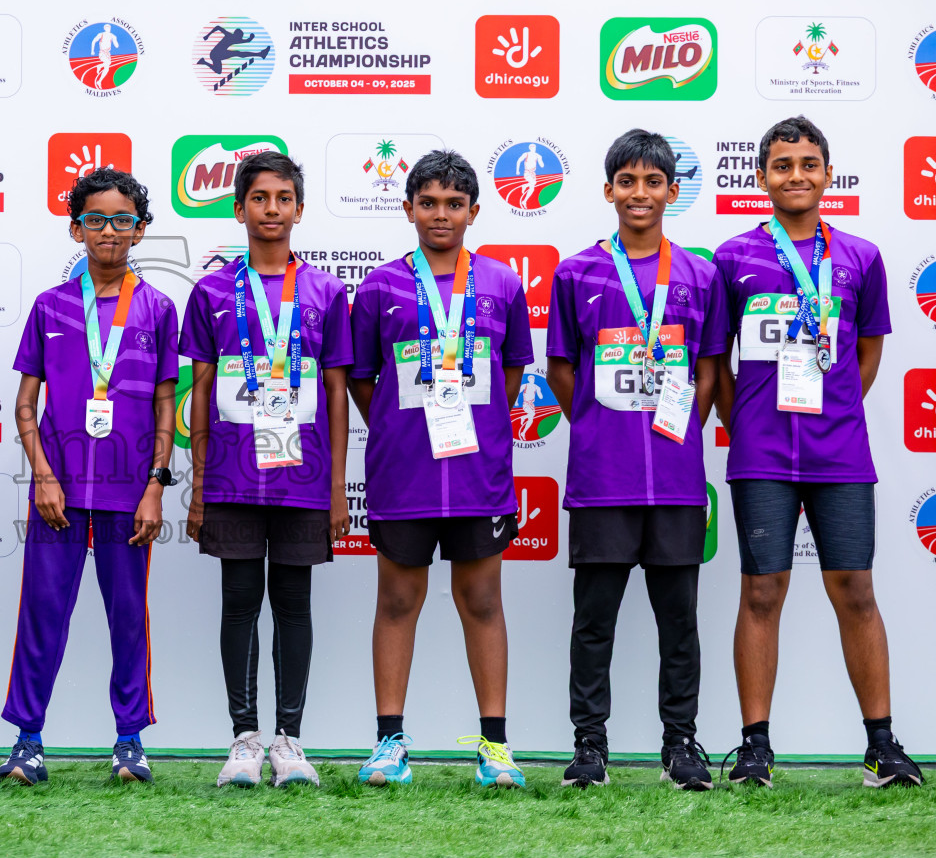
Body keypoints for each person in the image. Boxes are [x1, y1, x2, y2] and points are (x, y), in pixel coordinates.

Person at [714, 116, 922, 788]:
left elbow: (866, 356)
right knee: (761, 591)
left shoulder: (860, 257)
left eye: (809, 163)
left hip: (840, 456)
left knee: (856, 590)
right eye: (782, 164)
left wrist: (830, 409)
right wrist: (745, 421)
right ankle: (754, 749)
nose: (796, 175)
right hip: (761, 455)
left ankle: (882, 748)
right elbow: (718, 363)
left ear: (828, 174)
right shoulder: (733, 258)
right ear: (761, 177)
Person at [545, 129, 727, 791]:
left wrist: (674, 429)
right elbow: (561, 369)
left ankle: (681, 744)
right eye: (628, 181)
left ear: (673, 191)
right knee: (594, 619)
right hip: (602, 479)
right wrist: (599, 427)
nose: (640, 193)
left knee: (678, 620)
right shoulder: (576, 272)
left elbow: (709, 371)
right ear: (608, 190)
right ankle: (589, 747)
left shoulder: (701, 274)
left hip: (676, 480)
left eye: (653, 182)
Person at [348, 150, 535, 788]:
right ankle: (389, 744)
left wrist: (469, 429)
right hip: (405, 475)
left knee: (482, 601)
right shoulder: (377, 287)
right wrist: (408, 431)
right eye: (428, 202)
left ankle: (494, 747)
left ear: (475, 212)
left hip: (478, 474)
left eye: (455, 204)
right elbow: (363, 381)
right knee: (398, 600)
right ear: (407, 209)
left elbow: (511, 375)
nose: (440, 214)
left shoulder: (504, 284)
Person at [0, 168, 178, 785]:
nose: (109, 230)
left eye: (122, 220)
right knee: (43, 611)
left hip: (130, 494)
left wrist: (156, 483)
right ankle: (28, 740)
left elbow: (165, 406)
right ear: (76, 228)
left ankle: (129, 741)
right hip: (59, 493)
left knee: (128, 616)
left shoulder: (156, 308)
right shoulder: (50, 305)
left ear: (140, 230)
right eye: (96, 219)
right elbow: (25, 404)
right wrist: (43, 476)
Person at [181, 151, 353, 788]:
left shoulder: (326, 292)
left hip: (303, 479)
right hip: (230, 475)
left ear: (299, 209)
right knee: (237, 603)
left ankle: (290, 740)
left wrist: (336, 486)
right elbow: (199, 390)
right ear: (239, 208)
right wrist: (198, 485)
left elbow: (336, 393)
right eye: (260, 198)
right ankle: (244, 739)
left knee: (294, 604)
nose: (272, 209)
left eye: (283, 198)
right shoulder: (212, 292)